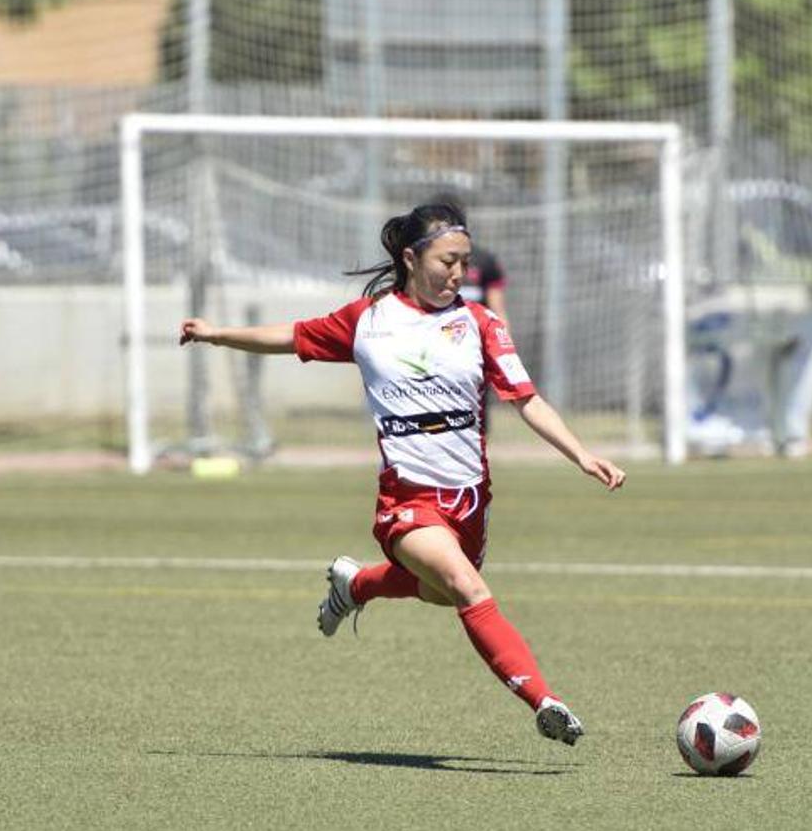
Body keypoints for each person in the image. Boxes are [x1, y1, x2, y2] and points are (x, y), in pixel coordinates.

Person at [179, 201, 625, 745]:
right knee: (465, 585)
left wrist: (580, 453)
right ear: (412, 258)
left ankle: (357, 582)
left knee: (440, 592)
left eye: (465, 263)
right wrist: (217, 333)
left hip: (469, 499)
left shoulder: (480, 323)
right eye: (447, 262)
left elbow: (526, 399)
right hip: (406, 501)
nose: (459, 275)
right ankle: (543, 700)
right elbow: (292, 336)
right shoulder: (368, 321)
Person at [428, 192, 509, 323]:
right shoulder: (420, 259)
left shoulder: (485, 260)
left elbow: (498, 311)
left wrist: (504, 340)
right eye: (447, 262)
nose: (457, 273)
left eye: (464, 263)